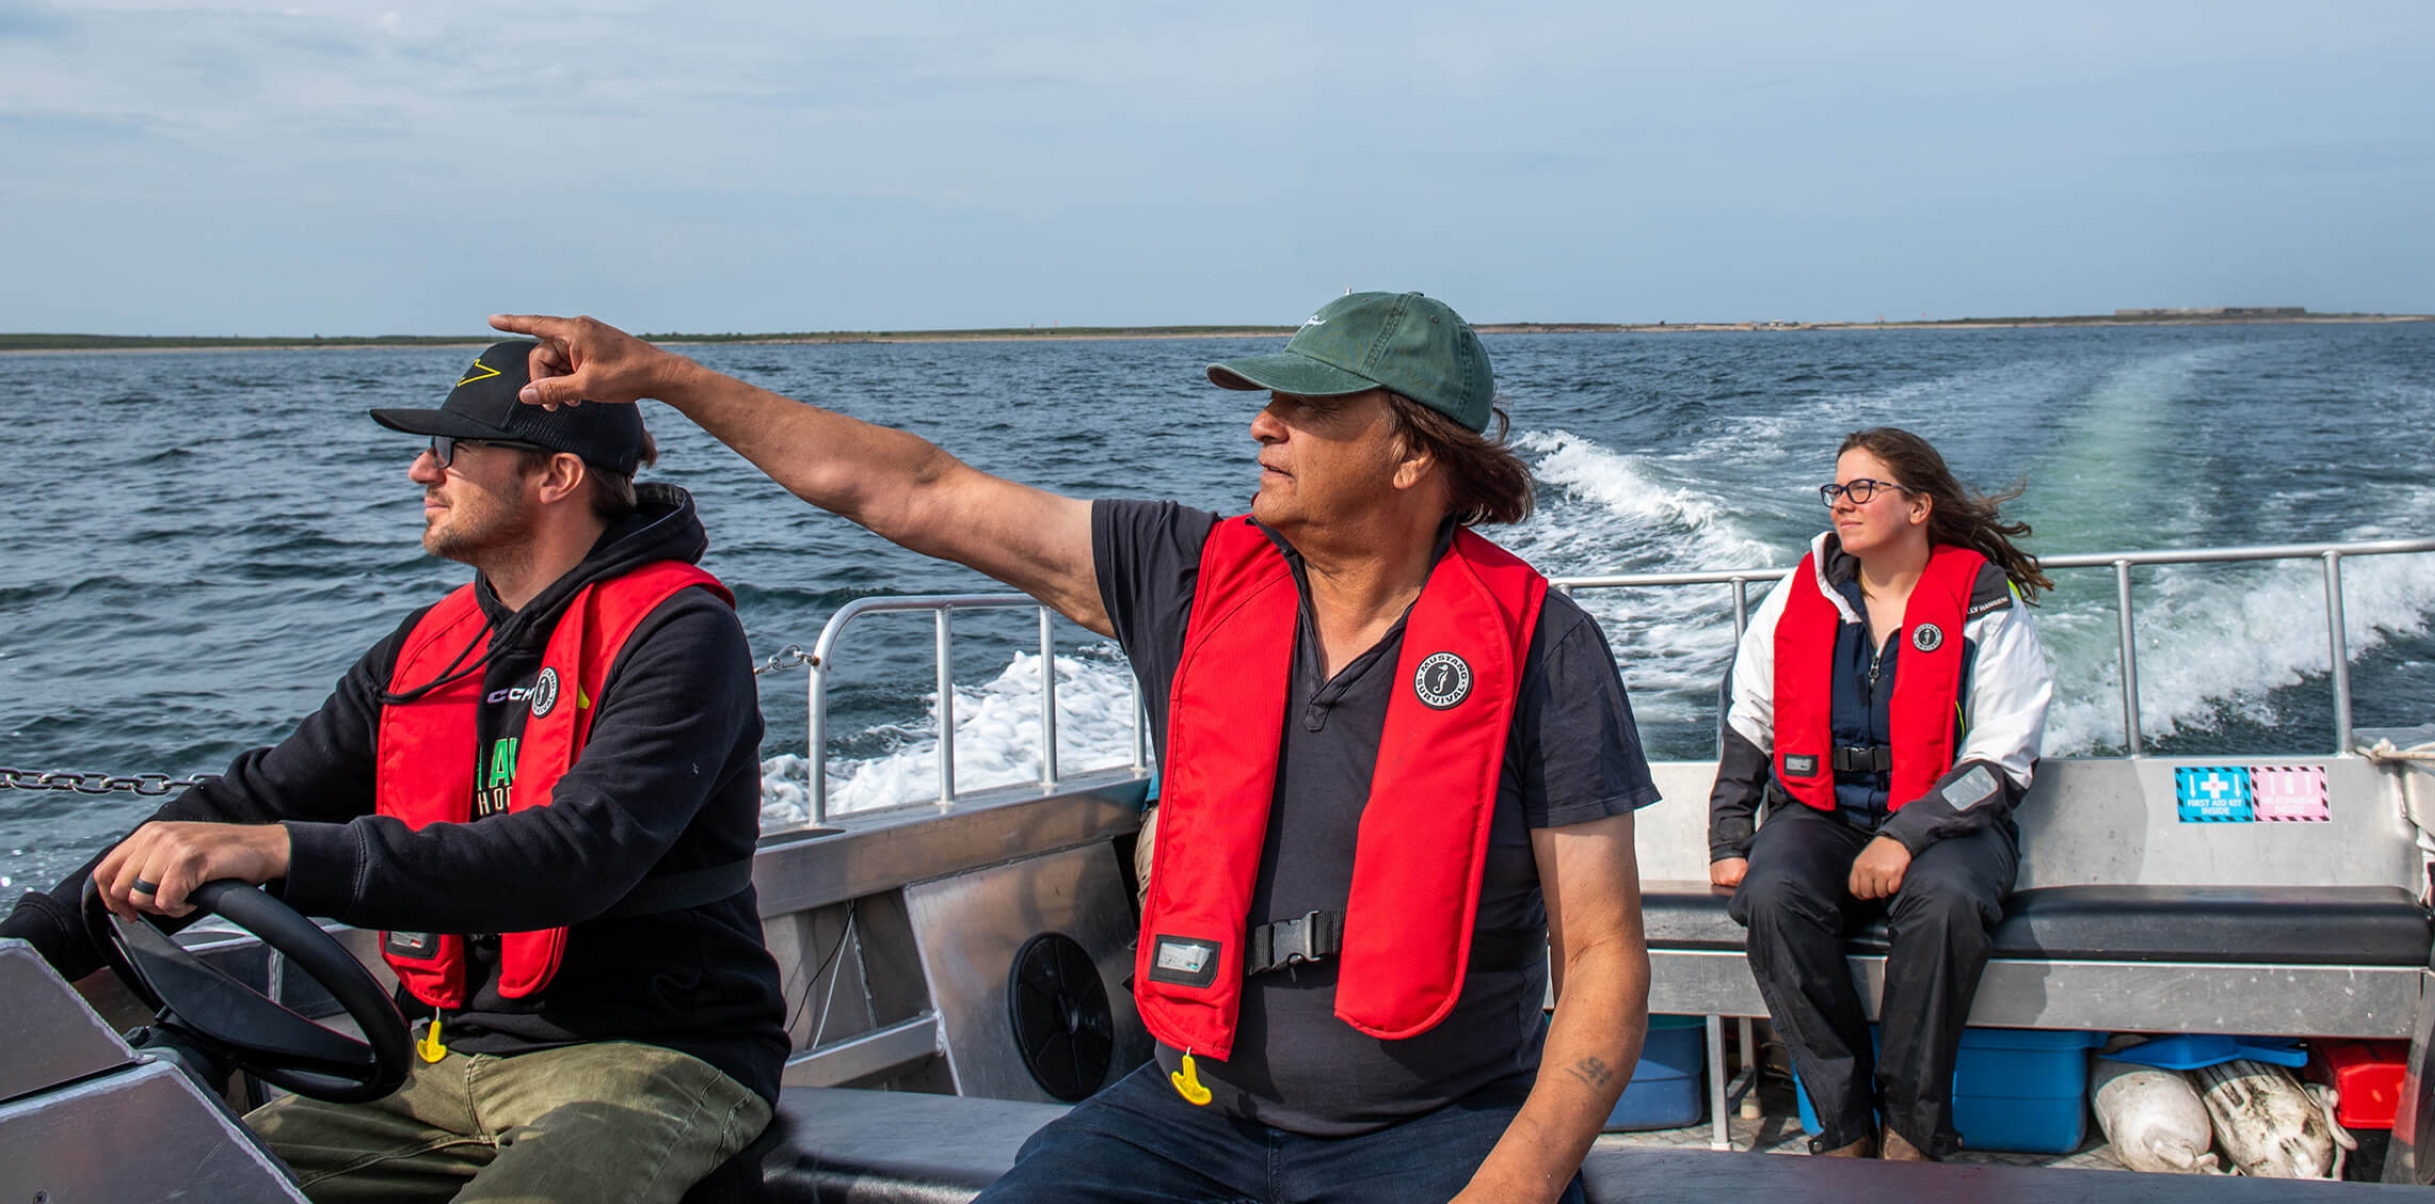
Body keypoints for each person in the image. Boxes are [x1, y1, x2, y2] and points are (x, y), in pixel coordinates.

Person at [491, 292, 1657, 1204]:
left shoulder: (1540, 650)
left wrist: (1516, 1180)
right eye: (1269, 401)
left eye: (1306, 408)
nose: (1263, 422)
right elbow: (909, 489)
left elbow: (1601, 956)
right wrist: (666, 379)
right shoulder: (1188, 575)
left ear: (1414, 454)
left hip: (1433, 1140)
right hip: (1190, 1118)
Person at [0, 341, 786, 1204]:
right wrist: (24, 947)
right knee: (171, 1180)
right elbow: (249, 799)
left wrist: (284, 853)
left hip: (655, 1061)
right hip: (434, 1064)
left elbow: (579, 855)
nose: (422, 469)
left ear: (557, 474)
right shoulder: (423, 651)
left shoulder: (680, 635)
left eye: (451, 451)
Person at [1707, 427, 2054, 1161]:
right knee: (1772, 895)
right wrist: (1729, 834)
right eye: (1836, 488)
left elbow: (2003, 756)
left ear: (1920, 505)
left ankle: (1913, 1127)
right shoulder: (1799, 595)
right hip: (1825, 813)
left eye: (1864, 488)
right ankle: (1843, 1125)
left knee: (1948, 903)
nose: (1843, 502)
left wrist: (1907, 833)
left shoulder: (1983, 601)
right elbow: (1752, 719)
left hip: (1953, 823)